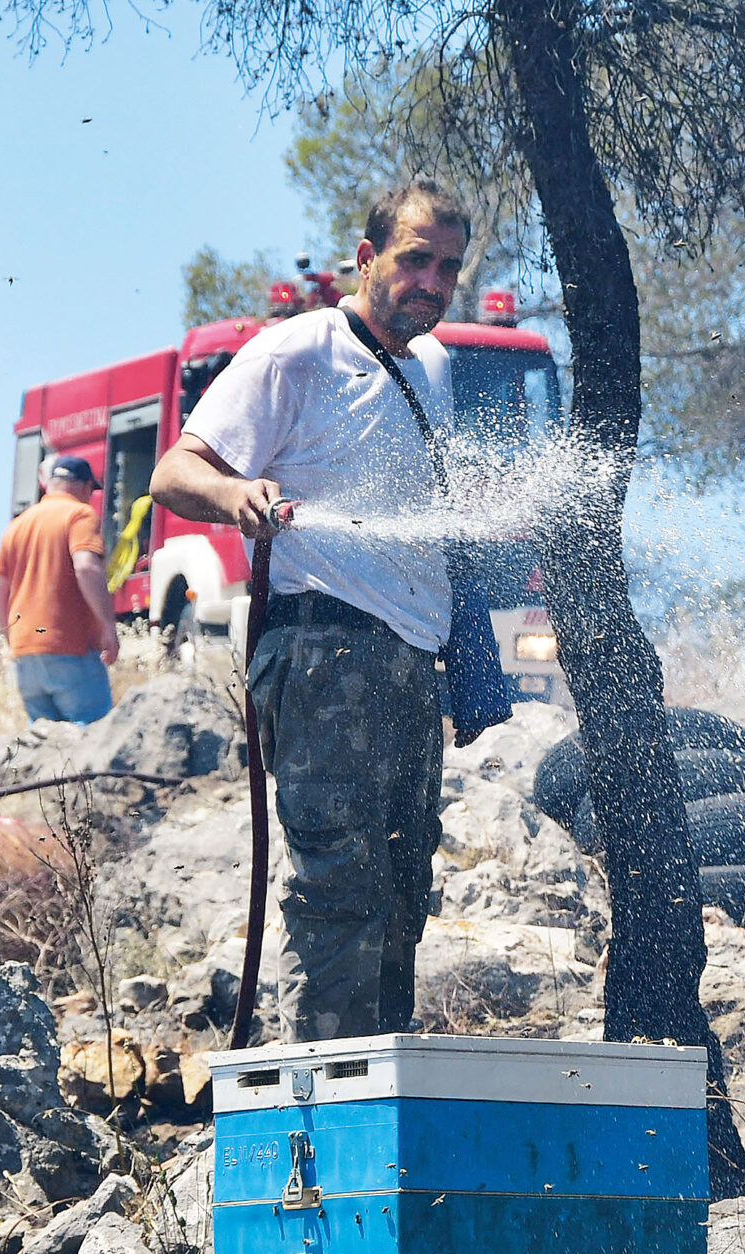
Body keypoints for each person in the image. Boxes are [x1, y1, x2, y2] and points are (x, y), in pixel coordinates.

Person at [149, 181, 504, 1041]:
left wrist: (474, 652)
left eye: (449, 267)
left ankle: (385, 1088)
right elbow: (173, 473)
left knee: (400, 891)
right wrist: (236, 493)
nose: (432, 281)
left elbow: (435, 513)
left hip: (410, 664)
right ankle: (324, 1100)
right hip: (321, 653)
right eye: (415, 258)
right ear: (367, 258)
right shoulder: (292, 353)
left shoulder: (437, 366)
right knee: (336, 887)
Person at [0, 454, 121, 724]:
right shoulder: (80, 515)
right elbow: (86, 567)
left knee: (46, 750)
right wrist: (108, 624)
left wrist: (12, 638)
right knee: (90, 740)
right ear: (86, 487)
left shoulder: (17, 525)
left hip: (25, 653)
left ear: (49, 484)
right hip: (70, 648)